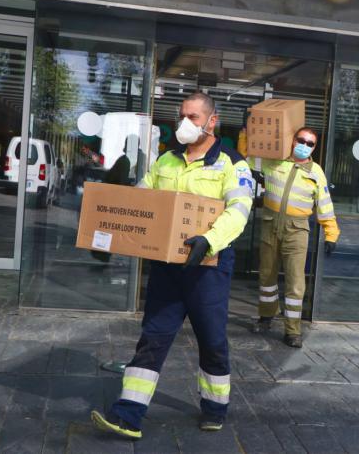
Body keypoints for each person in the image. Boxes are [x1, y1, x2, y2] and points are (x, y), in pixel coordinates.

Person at [91, 92, 253, 438]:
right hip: (167, 267)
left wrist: (210, 239)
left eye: (193, 117)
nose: (185, 123)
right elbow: (142, 198)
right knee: (153, 337)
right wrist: (114, 218)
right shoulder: (166, 161)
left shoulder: (232, 164)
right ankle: (128, 414)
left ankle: (214, 408)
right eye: (182, 115)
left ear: (212, 121)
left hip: (209, 267)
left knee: (211, 339)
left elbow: (239, 211)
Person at [250, 127, 339, 348]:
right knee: (267, 277)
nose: (305, 146)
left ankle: (292, 330)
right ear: (292, 141)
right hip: (270, 224)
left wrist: (331, 233)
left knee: (295, 283)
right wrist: (248, 134)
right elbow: (248, 160)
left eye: (311, 144)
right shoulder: (275, 162)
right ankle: (266, 317)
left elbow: (325, 204)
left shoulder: (315, 171)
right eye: (301, 140)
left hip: (297, 230)